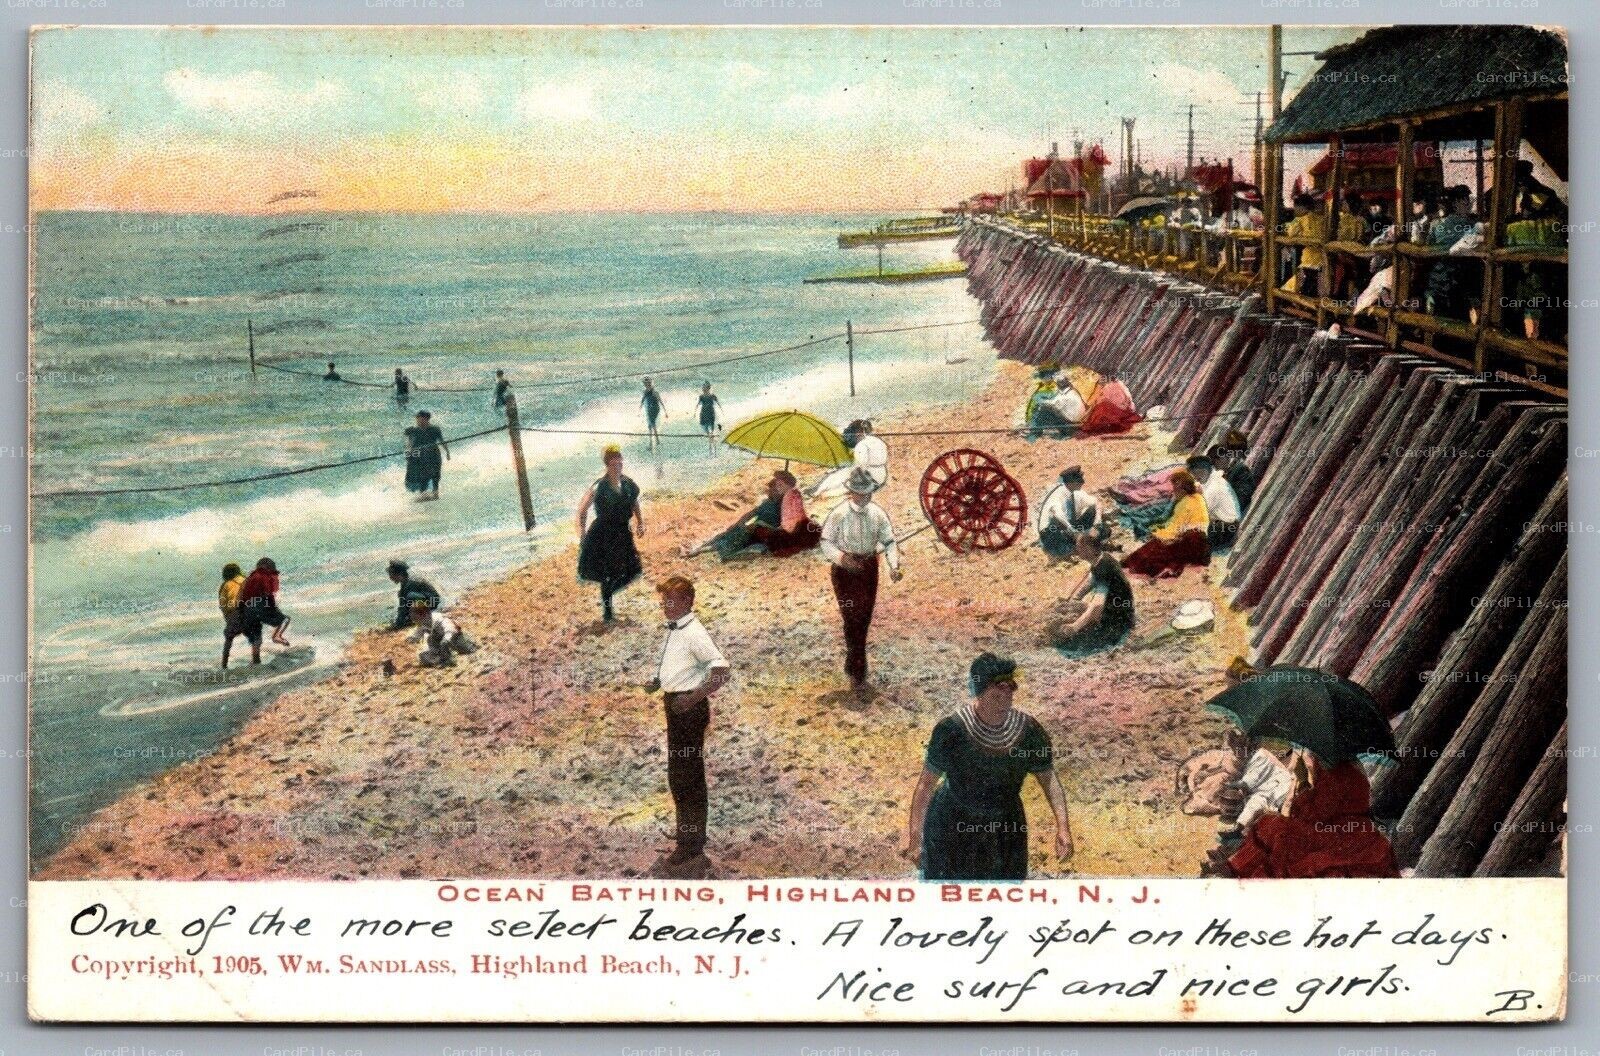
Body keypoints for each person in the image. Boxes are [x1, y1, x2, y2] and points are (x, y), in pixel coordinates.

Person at [903, 653, 1074, 881]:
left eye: (1009, 692)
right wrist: (915, 837)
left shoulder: (1029, 731)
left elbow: (1049, 780)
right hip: (952, 825)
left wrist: (1063, 827)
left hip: (1006, 829)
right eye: (996, 694)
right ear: (979, 693)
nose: (1004, 701)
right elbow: (925, 785)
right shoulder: (951, 730)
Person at [645, 575, 731, 878]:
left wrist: (692, 698)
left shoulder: (694, 631)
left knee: (687, 778)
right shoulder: (678, 628)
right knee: (680, 775)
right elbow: (682, 665)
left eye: (670, 602)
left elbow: (721, 671)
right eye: (663, 602)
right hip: (677, 705)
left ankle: (690, 847)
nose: (665, 607)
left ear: (686, 602)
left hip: (687, 710)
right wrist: (660, 682)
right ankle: (688, 836)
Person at [1214, 752, 1399, 879]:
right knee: (1272, 824)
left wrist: (1301, 791)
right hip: (1342, 830)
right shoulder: (1350, 769)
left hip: (1337, 834)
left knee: (1275, 828)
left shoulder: (1336, 771)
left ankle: (1238, 868)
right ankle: (1235, 864)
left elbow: (1319, 811)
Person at [820, 467, 903, 693]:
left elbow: (889, 542)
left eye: (867, 492)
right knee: (851, 618)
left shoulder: (878, 513)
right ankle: (858, 669)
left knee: (864, 618)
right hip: (844, 572)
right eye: (860, 492)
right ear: (851, 492)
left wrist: (893, 566)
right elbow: (826, 542)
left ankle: (854, 665)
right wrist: (842, 558)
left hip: (868, 569)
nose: (864, 496)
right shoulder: (838, 514)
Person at [683, 469, 819, 560]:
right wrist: (738, 523)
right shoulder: (768, 502)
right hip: (757, 528)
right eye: (772, 488)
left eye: (775, 488)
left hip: (763, 531)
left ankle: (705, 550)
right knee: (727, 533)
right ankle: (701, 548)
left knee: (735, 536)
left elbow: (787, 523)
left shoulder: (786, 501)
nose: (771, 492)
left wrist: (756, 524)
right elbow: (751, 513)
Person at [576, 444, 645, 623]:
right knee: (609, 573)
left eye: (620, 464)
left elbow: (634, 502)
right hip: (603, 535)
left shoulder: (628, 483)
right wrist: (582, 534)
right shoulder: (599, 486)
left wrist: (640, 522)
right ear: (607, 465)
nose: (617, 467)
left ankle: (608, 595)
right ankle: (608, 612)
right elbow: (582, 510)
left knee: (633, 570)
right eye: (614, 465)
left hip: (623, 532)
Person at [1049, 533, 1136, 658]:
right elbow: (1088, 584)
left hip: (1117, 619)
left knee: (1077, 648)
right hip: (1112, 610)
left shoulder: (1105, 566)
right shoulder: (1101, 560)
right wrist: (1073, 601)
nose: (1077, 551)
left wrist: (1075, 626)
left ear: (1088, 548)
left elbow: (1097, 604)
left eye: (1079, 548)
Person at [1121, 469, 1209, 579]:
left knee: (1155, 547)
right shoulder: (1197, 498)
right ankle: (1131, 563)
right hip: (1200, 543)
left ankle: (1131, 565)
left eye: (1176, 489)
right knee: (1156, 543)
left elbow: (1174, 532)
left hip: (1191, 542)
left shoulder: (1185, 502)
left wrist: (1156, 533)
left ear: (1182, 489)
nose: (1174, 492)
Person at [1505, 191, 1567, 342]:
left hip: (1526, 285)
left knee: (1526, 317)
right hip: (1550, 284)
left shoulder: (1513, 228)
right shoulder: (1554, 226)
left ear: (1523, 207)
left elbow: (1507, 253)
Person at [1423, 184, 1480, 322]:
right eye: (1464, 201)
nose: (1468, 204)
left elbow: (1428, 247)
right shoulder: (1473, 224)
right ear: (1454, 203)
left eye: (1468, 200)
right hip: (1457, 279)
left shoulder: (1438, 225)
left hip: (1448, 280)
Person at [1036, 466, 1101, 561]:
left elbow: (1096, 503)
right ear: (1071, 482)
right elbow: (1057, 515)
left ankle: (1084, 543)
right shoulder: (1058, 495)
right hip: (1051, 533)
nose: (1083, 482)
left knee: (1092, 511)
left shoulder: (1075, 493)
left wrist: (1097, 523)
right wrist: (1074, 533)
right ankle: (1072, 550)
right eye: (1080, 480)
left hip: (1068, 530)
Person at [811, 419, 890, 496]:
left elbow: (860, 468)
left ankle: (816, 492)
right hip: (881, 477)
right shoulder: (877, 440)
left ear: (859, 432)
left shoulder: (861, 445)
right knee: (842, 474)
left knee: (835, 477)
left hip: (870, 480)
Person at [1188, 455, 1241, 553]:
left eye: (1196, 475)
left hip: (1225, 529)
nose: (1195, 479)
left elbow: (1203, 512)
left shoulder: (1215, 486)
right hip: (1220, 524)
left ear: (1203, 471)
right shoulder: (1210, 480)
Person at [239, 557, 290, 649]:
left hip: (247, 609)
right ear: (270, 568)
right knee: (285, 619)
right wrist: (273, 607)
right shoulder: (268, 575)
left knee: (256, 640)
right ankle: (276, 636)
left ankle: (255, 660)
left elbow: (242, 596)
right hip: (261, 605)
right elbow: (268, 593)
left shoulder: (250, 577)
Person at [1282, 193, 1327, 296]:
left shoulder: (1300, 219)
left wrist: (1283, 227)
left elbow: (1291, 232)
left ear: (1302, 208)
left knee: (1304, 284)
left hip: (1309, 260)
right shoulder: (1321, 218)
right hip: (1323, 259)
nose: (1294, 211)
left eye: (1295, 208)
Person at [409, 600, 477, 668]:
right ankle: (442, 658)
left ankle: (449, 659)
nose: (413, 619)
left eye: (414, 617)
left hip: (455, 639)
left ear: (423, 614)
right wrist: (413, 639)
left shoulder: (439, 618)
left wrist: (446, 640)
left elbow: (451, 629)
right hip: (441, 644)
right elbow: (417, 634)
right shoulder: (423, 623)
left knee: (467, 648)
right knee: (423, 655)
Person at [1077, 368, 1141, 436]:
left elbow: (1097, 401)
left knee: (1101, 408)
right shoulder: (1119, 383)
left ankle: (1102, 426)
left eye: (1101, 376)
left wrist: (1087, 412)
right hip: (1125, 410)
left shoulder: (1107, 386)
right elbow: (1128, 399)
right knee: (1101, 407)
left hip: (1117, 412)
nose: (1099, 378)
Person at [403, 410, 449, 500]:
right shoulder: (413, 430)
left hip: (433, 454)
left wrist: (447, 452)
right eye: (417, 419)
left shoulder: (435, 429)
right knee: (422, 474)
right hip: (420, 455)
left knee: (436, 474)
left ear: (426, 419)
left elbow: (442, 441)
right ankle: (423, 494)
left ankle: (435, 493)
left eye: (420, 419)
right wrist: (408, 454)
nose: (418, 421)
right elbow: (409, 444)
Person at [386, 560, 442, 631]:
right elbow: (402, 606)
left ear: (399, 574)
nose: (390, 577)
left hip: (433, 603)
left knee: (409, 596)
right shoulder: (405, 582)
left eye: (391, 574)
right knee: (404, 597)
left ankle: (422, 616)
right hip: (430, 601)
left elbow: (403, 607)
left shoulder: (410, 583)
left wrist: (398, 625)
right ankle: (414, 617)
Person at [218, 562, 255, 668]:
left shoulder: (226, 585)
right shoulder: (246, 580)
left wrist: (229, 619)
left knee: (229, 639)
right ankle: (256, 661)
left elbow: (223, 605)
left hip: (235, 613)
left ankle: (224, 666)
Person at [1028, 371, 1086, 438]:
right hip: (1074, 424)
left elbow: (1053, 404)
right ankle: (1035, 427)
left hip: (1070, 427)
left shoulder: (1066, 396)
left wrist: (1040, 401)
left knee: (1044, 411)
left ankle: (1035, 432)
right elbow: (1056, 401)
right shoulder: (1071, 391)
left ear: (1059, 384)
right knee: (1046, 409)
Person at [696, 382, 722, 455]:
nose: (702, 388)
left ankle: (713, 449)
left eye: (704, 387)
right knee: (707, 432)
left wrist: (722, 413)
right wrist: (695, 413)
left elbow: (718, 404)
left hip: (711, 414)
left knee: (712, 432)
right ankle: (712, 447)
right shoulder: (701, 396)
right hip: (703, 414)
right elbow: (698, 404)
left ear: (708, 388)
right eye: (702, 387)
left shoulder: (712, 396)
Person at [641, 378, 666, 450]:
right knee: (651, 425)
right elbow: (642, 400)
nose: (647, 385)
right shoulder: (645, 392)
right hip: (649, 408)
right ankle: (656, 441)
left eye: (648, 383)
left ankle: (652, 443)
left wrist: (665, 411)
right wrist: (640, 408)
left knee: (651, 424)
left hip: (654, 409)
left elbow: (660, 401)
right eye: (645, 384)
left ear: (650, 383)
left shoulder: (654, 392)